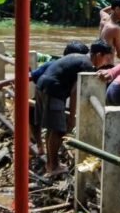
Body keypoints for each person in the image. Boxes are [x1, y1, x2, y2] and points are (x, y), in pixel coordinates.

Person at [0, 41, 90, 156]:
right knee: (33, 114)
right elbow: (29, 76)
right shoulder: (55, 64)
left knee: (54, 126)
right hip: (55, 98)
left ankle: (52, 150)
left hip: (62, 100)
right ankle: (40, 146)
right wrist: (2, 83)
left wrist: (1, 83)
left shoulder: (82, 67)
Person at [36, 40, 113, 176]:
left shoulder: (82, 60)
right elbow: (75, 92)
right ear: (99, 55)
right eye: (107, 58)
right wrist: (72, 118)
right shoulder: (87, 65)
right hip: (54, 90)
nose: (107, 62)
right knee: (59, 130)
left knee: (52, 129)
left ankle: (51, 164)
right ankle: (53, 166)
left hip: (44, 86)